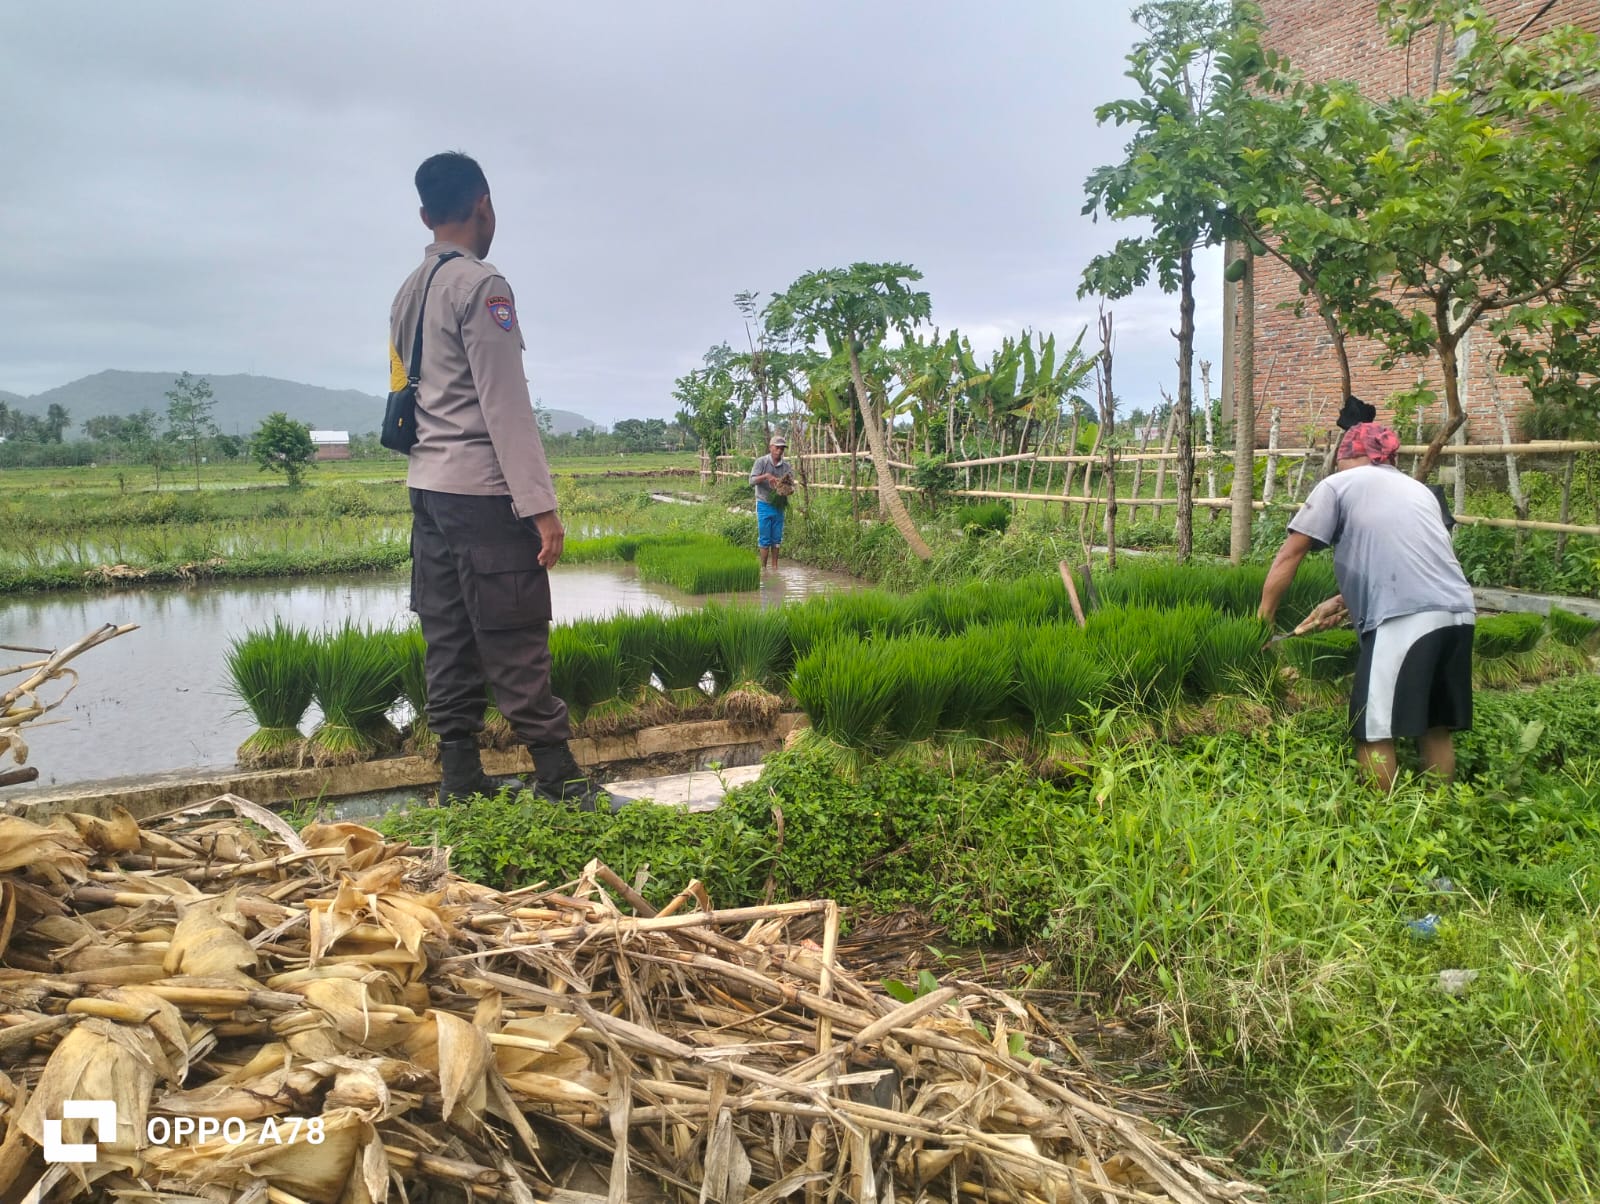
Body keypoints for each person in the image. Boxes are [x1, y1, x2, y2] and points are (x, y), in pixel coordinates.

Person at [389, 151, 603, 809]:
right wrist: (541, 508)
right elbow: (504, 405)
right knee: (513, 632)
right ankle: (559, 778)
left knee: (447, 635)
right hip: (483, 493)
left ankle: (460, 779)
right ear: (485, 203)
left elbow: (405, 392)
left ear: (426, 215)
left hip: (428, 490)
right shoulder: (485, 288)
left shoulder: (407, 292)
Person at [1257, 421, 1476, 790]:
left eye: (1340, 457)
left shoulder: (1339, 484)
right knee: (1434, 724)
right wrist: (1344, 600)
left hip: (1406, 617)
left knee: (1372, 728)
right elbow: (1413, 560)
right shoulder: (1418, 490)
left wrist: (1262, 623)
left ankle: (1381, 823)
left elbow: (1289, 555)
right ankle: (1441, 813)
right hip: (1458, 612)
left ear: (1352, 455)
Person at [749, 435, 795, 570]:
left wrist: (786, 489)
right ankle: (763, 568)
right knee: (765, 539)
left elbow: (792, 486)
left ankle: (775, 568)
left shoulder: (786, 467)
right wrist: (766, 476)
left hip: (778, 505)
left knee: (776, 539)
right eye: (777, 447)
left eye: (782, 448)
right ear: (770, 448)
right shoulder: (761, 462)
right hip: (763, 503)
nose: (779, 451)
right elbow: (751, 481)